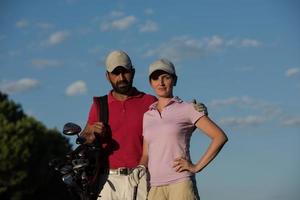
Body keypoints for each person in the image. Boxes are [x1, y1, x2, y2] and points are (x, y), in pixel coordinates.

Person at [80, 50, 208, 200]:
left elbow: (174, 126)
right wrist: (88, 132)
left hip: (141, 179)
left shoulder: (149, 102)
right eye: (116, 73)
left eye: (125, 72)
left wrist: (196, 113)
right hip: (108, 181)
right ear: (107, 76)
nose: (121, 78)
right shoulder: (99, 105)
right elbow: (84, 139)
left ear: (133, 72)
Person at [139, 58, 228, 200]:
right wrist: (138, 172)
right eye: (155, 78)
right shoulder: (147, 116)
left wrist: (196, 167)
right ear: (150, 82)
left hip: (180, 184)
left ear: (174, 80)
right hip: (154, 187)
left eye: (166, 77)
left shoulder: (187, 108)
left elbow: (220, 137)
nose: (160, 83)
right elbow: (146, 154)